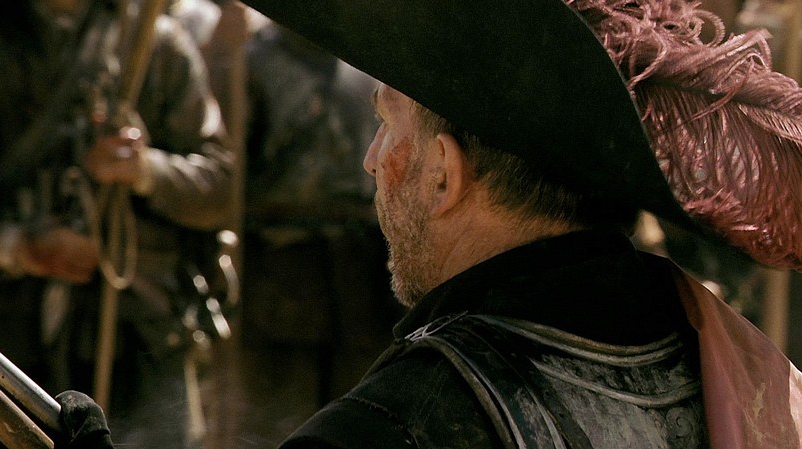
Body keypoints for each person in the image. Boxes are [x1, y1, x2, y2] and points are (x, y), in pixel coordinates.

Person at [51, 0, 802, 447]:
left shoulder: (396, 425)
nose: (372, 160)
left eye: (387, 126)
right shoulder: (711, 359)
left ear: (443, 172)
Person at [0, 0, 233, 448]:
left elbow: (220, 185)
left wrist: (146, 170)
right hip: (10, 342)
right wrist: (14, 245)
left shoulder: (156, 44)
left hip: (142, 332)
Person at [238, 20, 398, 447]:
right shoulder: (254, 62)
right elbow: (229, 179)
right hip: (281, 274)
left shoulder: (371, 61)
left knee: (359, 421)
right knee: (280, 424)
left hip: (359, 273)